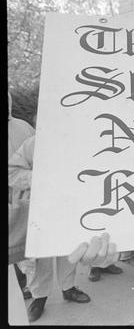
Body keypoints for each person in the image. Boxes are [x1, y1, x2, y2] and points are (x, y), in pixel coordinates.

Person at [9, 136, 93, 322]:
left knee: (69, 249)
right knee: (40, 256)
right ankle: (39, 297)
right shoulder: (33, 143)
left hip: (69, 205)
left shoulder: (78, 140)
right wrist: (39, 177)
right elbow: (11, 171)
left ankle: (68, 288)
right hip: (40, 208)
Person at [8, 90, 35, 301]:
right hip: (15, 194)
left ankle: (28, 287)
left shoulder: (23, 126)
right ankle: (26, 288)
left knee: (26, 247)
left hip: (25, 194)